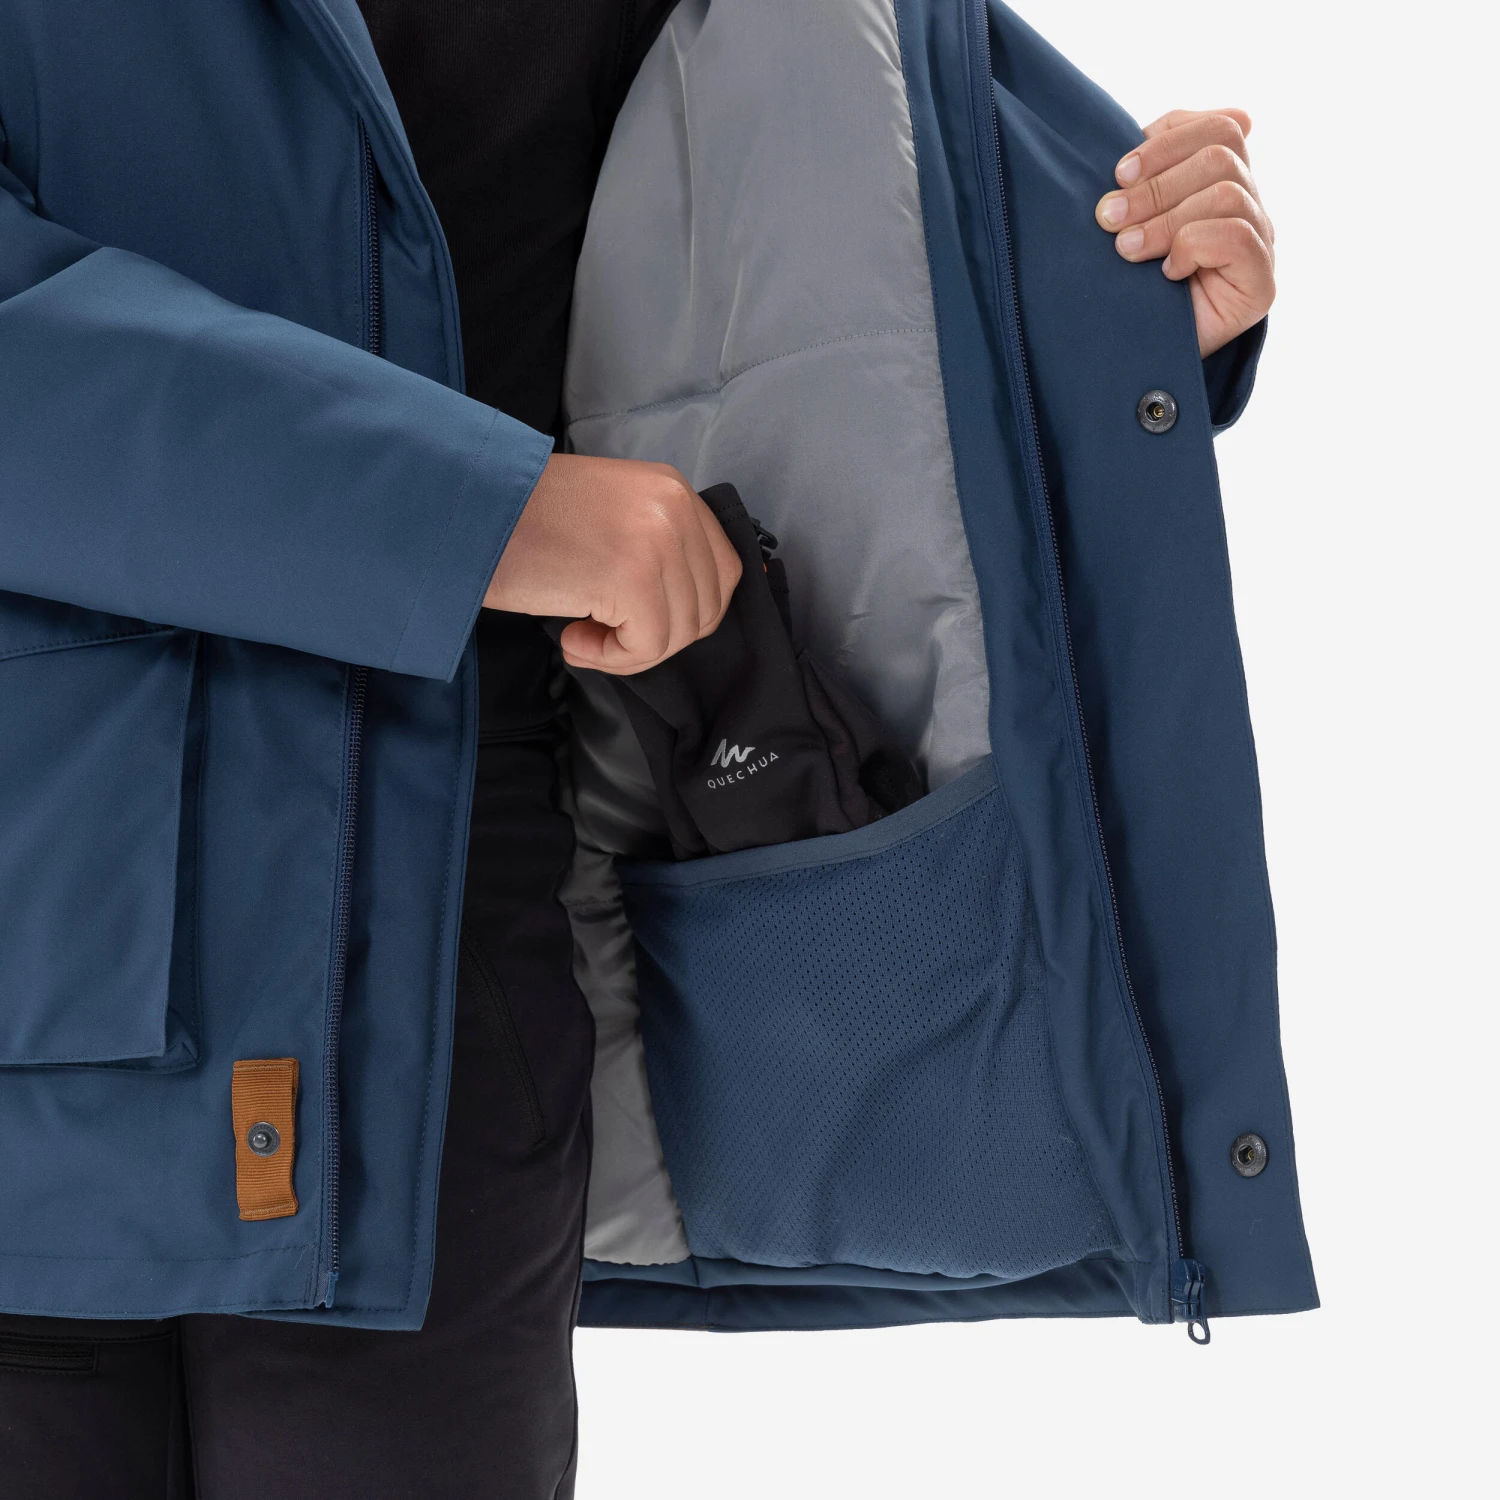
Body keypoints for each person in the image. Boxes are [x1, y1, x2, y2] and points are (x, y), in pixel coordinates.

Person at [0, 2, 1275, 1495]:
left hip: (450, 1010)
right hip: (49, 957)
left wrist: (1117, 306)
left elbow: (818, 242)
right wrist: (484, 512)